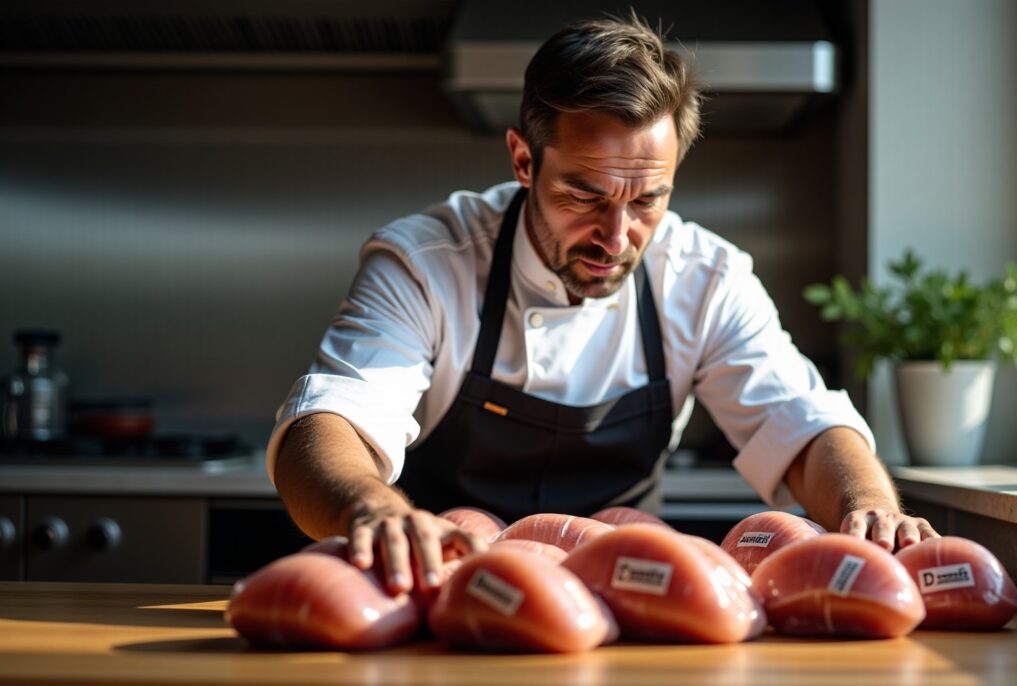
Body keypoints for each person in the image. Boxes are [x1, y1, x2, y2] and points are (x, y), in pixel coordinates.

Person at [268, 14, 938, 596]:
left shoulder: (704, 277)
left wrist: (869, 506)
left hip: (629, 592)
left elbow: (803, 424)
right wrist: (372, 508)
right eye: (584, 196)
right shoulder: (426, 262)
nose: (617, 238)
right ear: (523, 160)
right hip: (445, 586)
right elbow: (331, 423)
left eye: (646, 200)